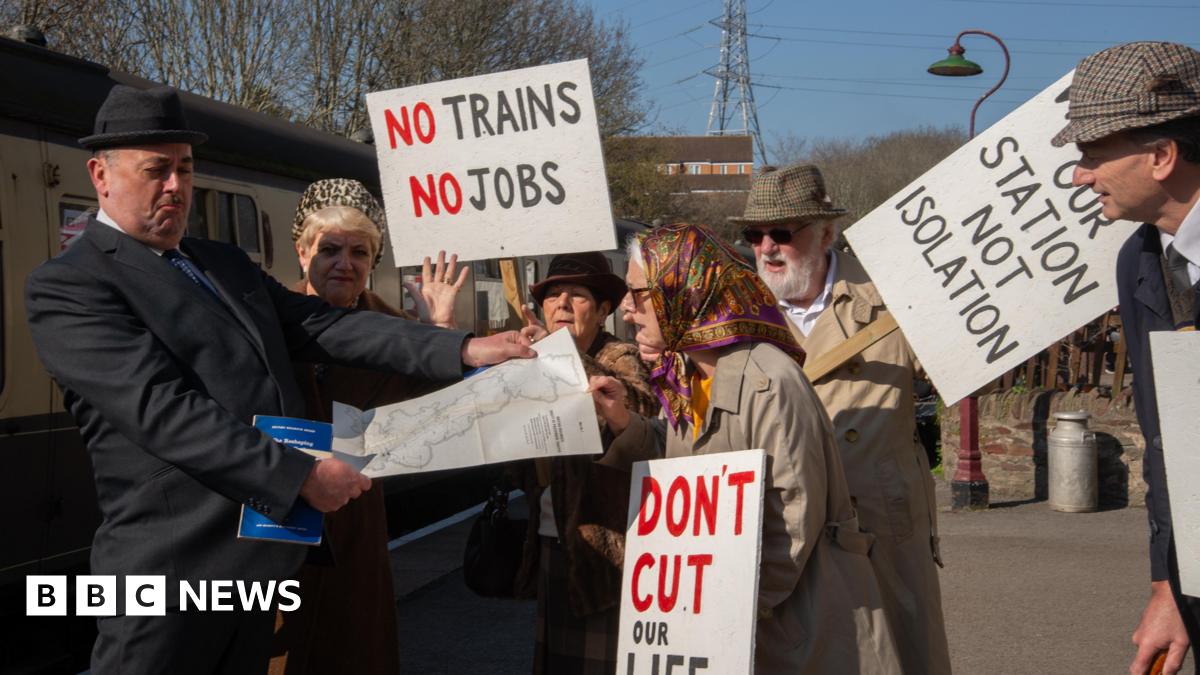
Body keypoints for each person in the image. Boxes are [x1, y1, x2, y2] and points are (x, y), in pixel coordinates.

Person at [23, 84, 531, 675]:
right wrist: (300, 476)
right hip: (170, 569)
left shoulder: (222, 264)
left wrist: (466, 347)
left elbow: (326, 326)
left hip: (259, 564)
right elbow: (159, 409)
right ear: (100, 175)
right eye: (156, 170)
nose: (176, 186)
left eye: (185, 169)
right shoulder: (71, 286)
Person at [591, 223, 901, 673]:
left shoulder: (769, 381)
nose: (626, 309)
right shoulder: (687, 375)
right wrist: (622, 420)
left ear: (683, 290)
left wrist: (719, 616)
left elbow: (791, 520)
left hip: (792, 632)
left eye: (638, 293)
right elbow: (690, 464)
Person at [733, 163, 950, 674]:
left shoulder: (892, 295)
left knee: (902, 651)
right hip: (785, 525)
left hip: (882, 519)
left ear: (826, 233)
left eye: (782, 232)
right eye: (754, 234)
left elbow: (958, 362)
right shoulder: (739, 312)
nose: (766, 247)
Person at [268, 178, 467, 675]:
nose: (345, 262)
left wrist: (438, 332)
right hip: (277, 527)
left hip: (354, 530)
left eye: (360, 252)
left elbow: (440, 417)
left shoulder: (397, 331)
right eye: (331, 248)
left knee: (353, 651)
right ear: (302, 251)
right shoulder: (264, 321)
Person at [1052, 41, 1200, 675]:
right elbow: (1173, 445)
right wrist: (1172, 586)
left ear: (1162, 155)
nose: (1080, 175)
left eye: (1092, 154)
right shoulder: (1140, 259)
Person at [511, 251, 658, 674]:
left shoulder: (618, 356)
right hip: (552, 539)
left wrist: (564, 358)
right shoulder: (533, 362)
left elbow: (641, 407)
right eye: (553, 295)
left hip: (605, 556)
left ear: (603, 310)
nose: (561, 304)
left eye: (577, 296)